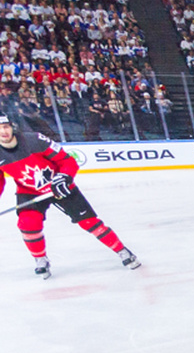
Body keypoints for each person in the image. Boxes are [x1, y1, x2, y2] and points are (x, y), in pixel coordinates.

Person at [0, 115, 139, 279]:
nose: (3, 131)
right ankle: (40, 260)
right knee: (28, 224)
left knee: (89, 222)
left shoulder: (35, 140)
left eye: (6, 126)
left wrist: (64, 177)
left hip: (59, 186)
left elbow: (67, 161)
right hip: (29, 191)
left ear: (13, 127)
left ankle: (122, 251)